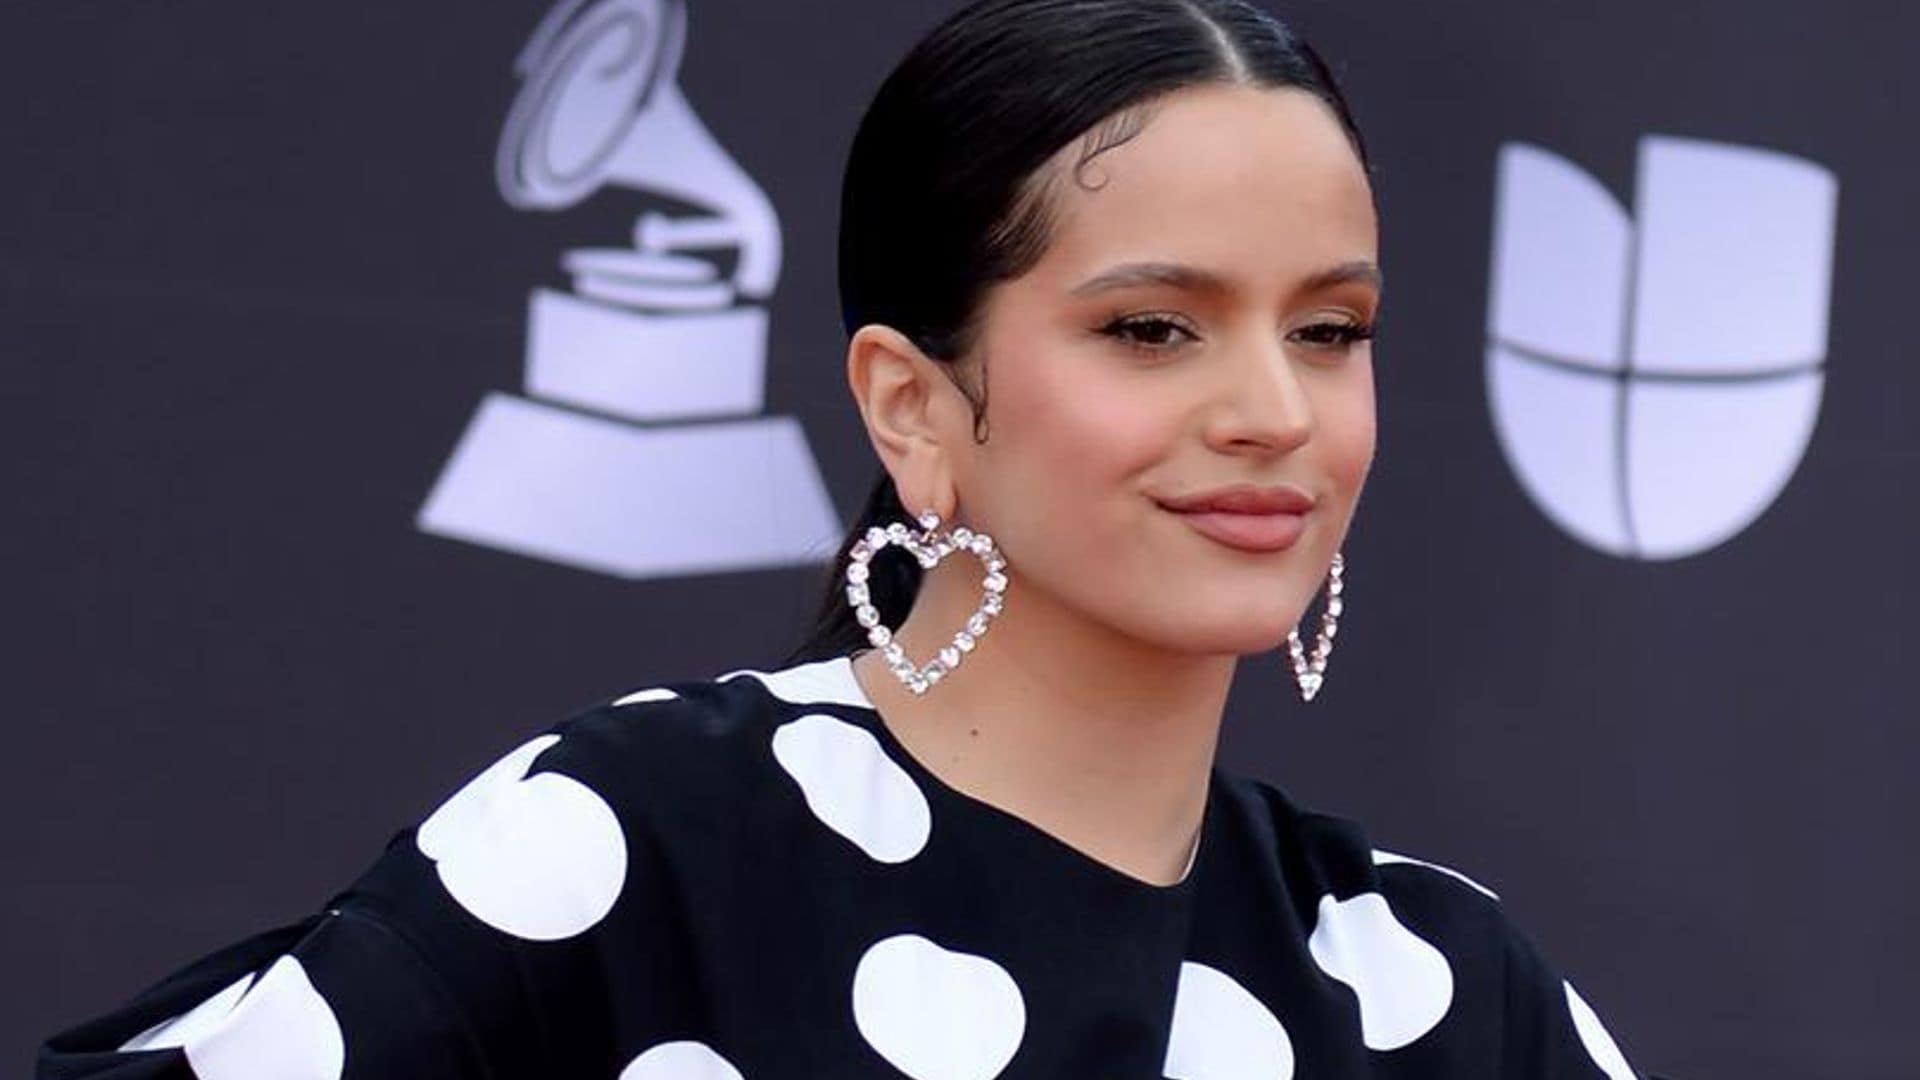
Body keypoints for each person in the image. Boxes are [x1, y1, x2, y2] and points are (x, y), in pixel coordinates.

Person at [37, 0, 1653, 1076]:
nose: (1272, 412)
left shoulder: (1436, 990)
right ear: (912, 407)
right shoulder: (644, 846)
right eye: (1157, 328)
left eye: (1330, 330)